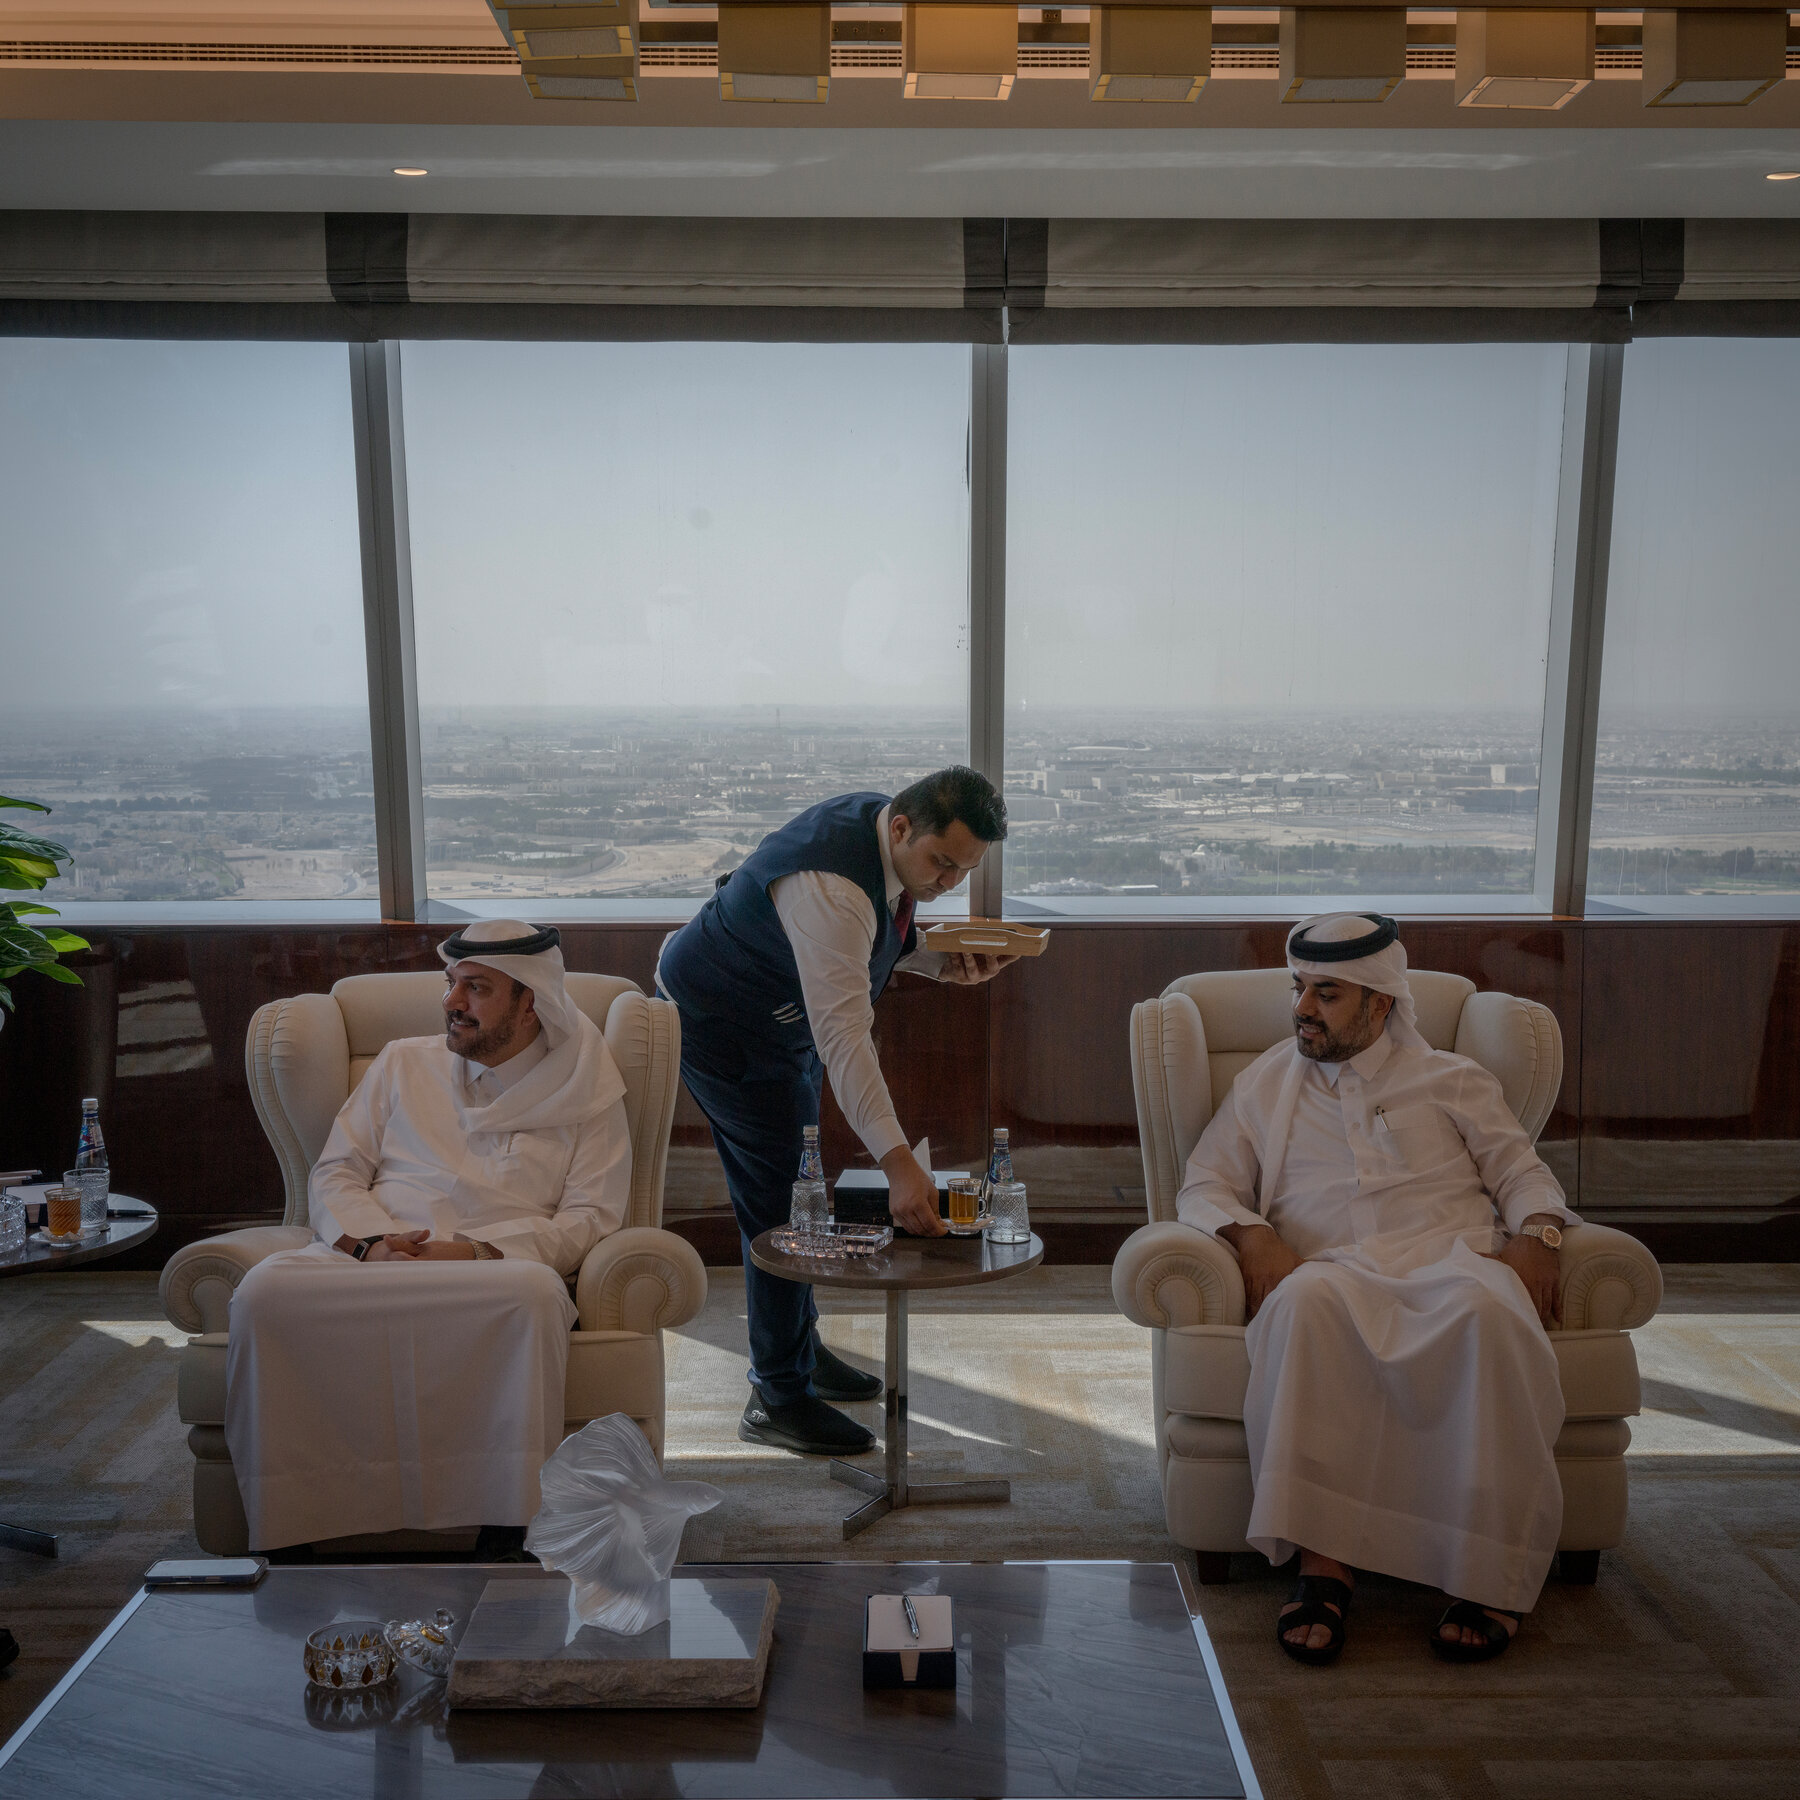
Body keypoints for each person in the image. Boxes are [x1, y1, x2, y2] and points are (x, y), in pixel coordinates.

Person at [1175, 912, 1576, 1666]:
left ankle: (1484, 1571)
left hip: (1452, 1268)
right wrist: (1249, 1233)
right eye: (1299, 989)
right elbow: (1205, 1184)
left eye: (1327, 994)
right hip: (1333, 1271)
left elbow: (1522, 1174)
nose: (1301, 1009)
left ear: (1380, 1003)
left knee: (1491, 1312)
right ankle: (1323, 1564)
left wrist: (1541, 1236)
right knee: (1301, 1306)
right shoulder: (1264, 1083)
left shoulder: (1451, 1079)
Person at [224, 920, 632, 1553]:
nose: (450, 1002)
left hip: (493, 1270)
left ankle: (508, 1527)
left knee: (532, 1296)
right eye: (451, 985)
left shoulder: (588, 1087)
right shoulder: (401, 1063)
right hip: (371, 1259)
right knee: (262, 1295)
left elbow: (591, 1217)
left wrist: (477, 1250)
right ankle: (291, 1532)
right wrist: (370, 1242)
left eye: (475, 988)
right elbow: (336, 1171)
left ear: (531, 1003)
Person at [657, 766, 1018, 1456]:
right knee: (781, 1200)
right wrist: (898, 1163)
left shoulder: (881, 839)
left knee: (801, 1187)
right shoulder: (833, 888)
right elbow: (846, 1036)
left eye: (963, 872)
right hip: (722, 1022)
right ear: (904, 827)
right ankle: (777, 1394)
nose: (947, 883)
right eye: (942, 864)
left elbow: (870, 948)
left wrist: (947, 965)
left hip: (779, 1017)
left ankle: (801, 1351)